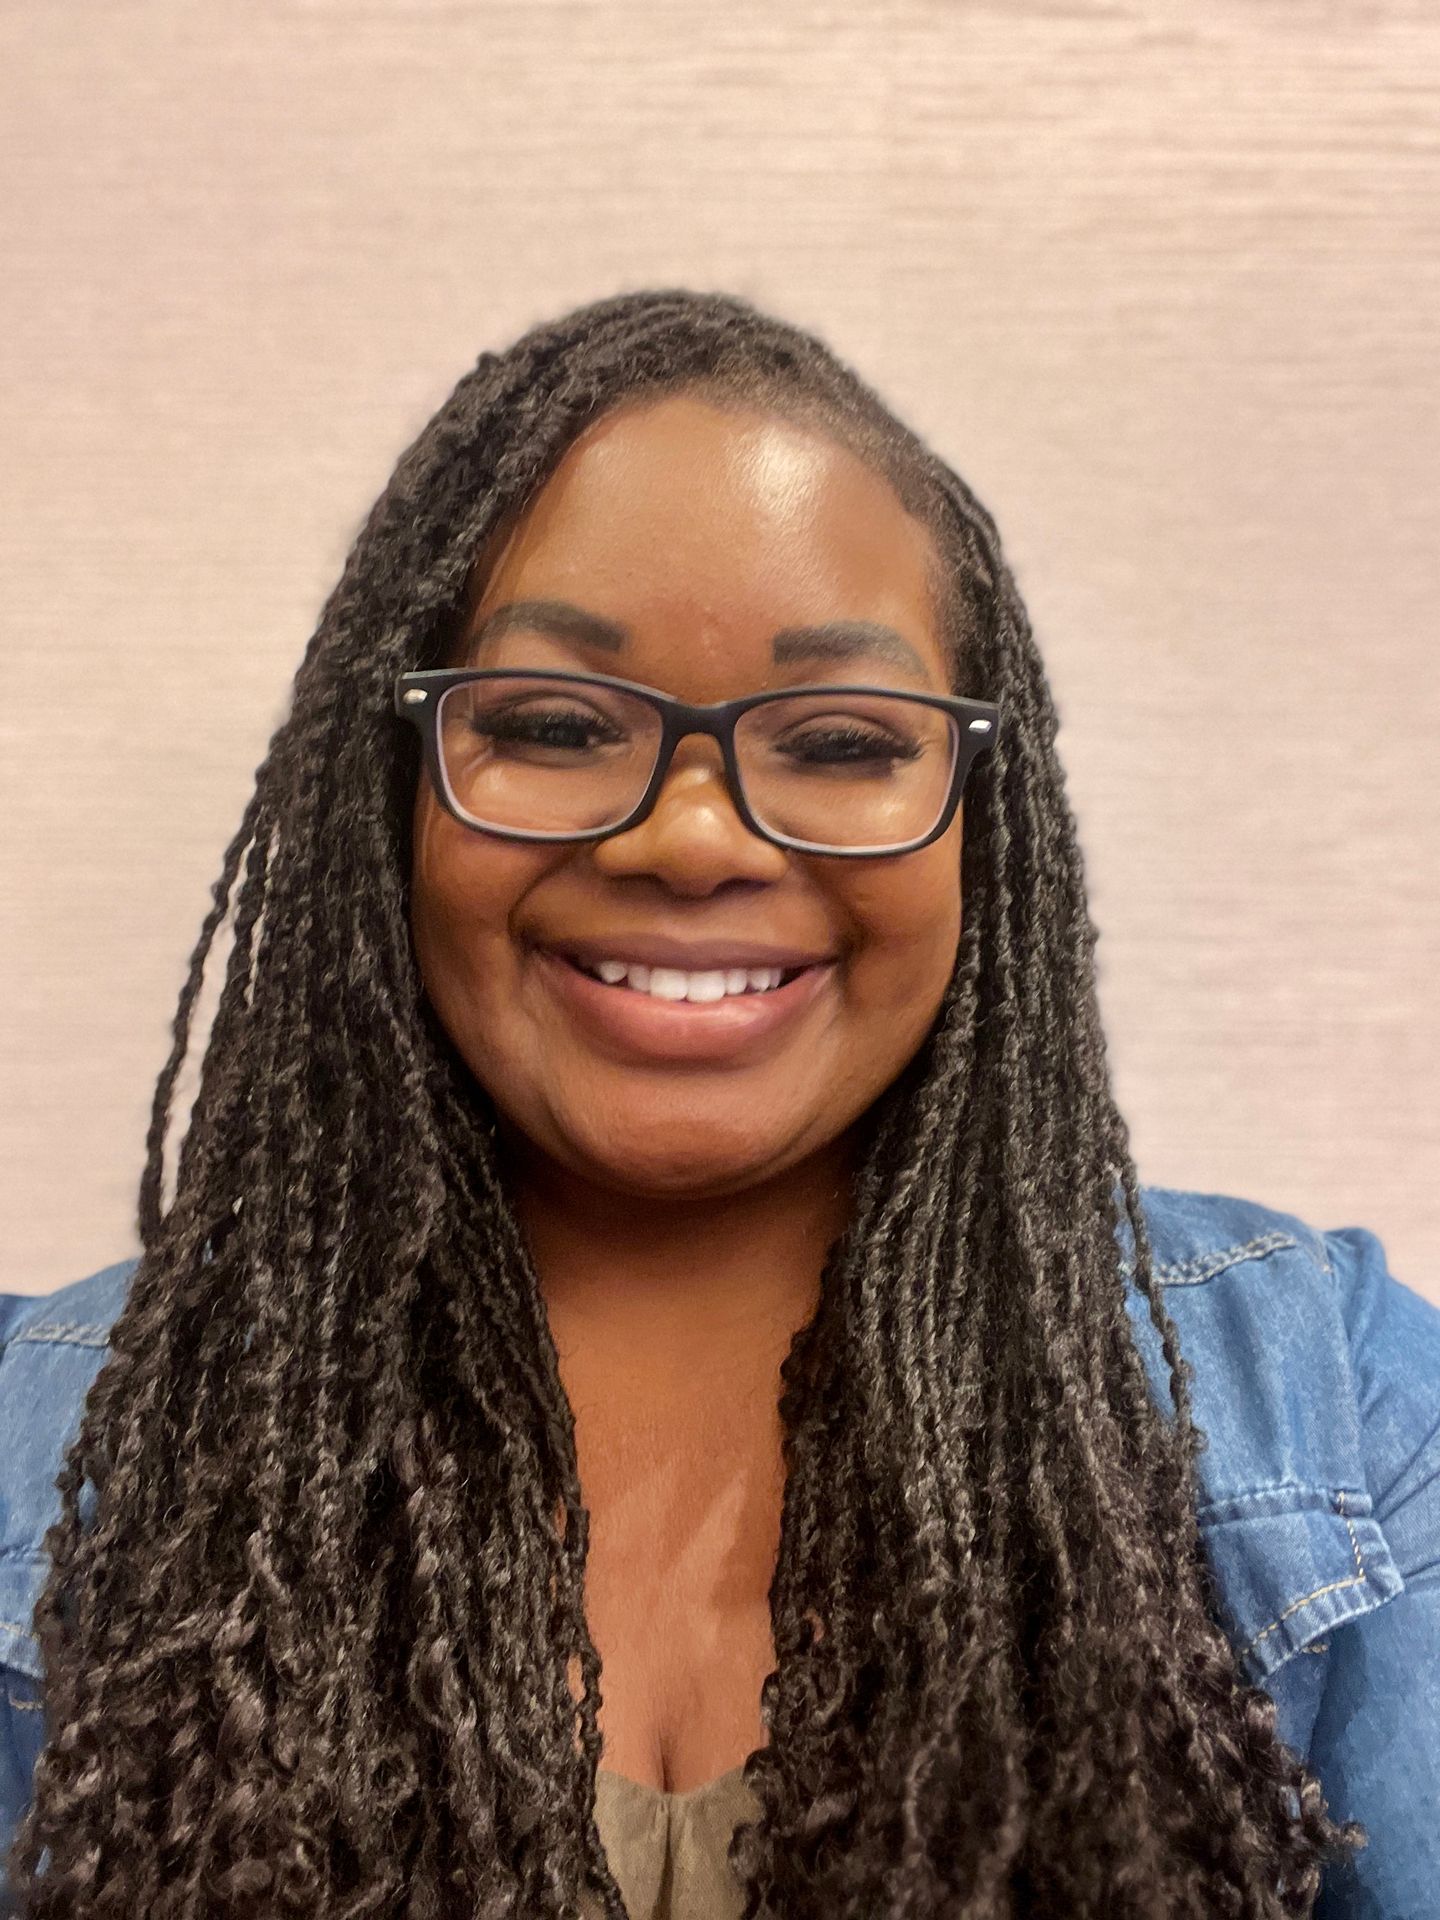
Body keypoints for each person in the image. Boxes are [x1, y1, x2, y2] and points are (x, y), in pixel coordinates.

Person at [0, 290, 1435, 1920]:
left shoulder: (1347, 1411)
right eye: (553, 725)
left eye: (839, 741)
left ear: (985, 815)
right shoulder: (35, 1448)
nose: (692, 840)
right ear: (391, 793)